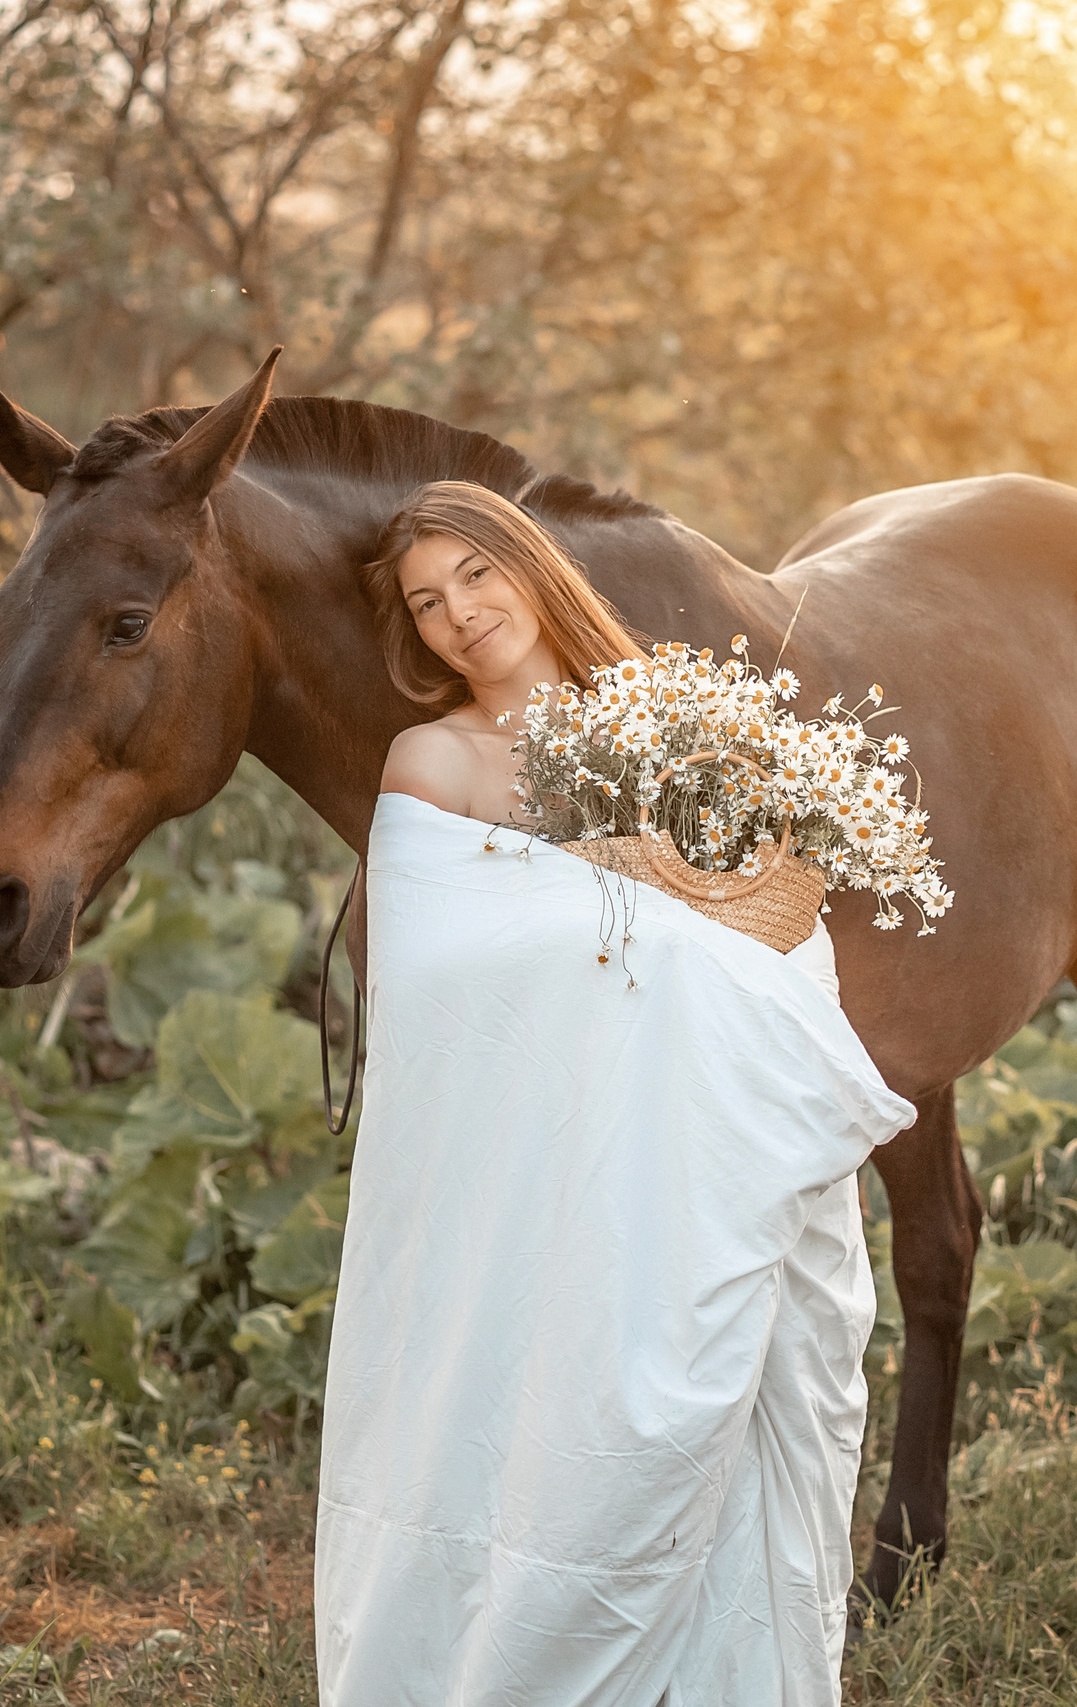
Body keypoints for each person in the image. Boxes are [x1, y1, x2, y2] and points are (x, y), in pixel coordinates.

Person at [316, 480, 916, 1705]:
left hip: (685, 1151)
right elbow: (442, 979)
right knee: (554, 1434)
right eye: (427, 604)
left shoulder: (676, 732)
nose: (458, 615)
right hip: (538, 1165)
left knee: (720, 1419)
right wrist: (644, 920)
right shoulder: (432, 758)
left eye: (475, 576)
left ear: (528, 566)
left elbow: (780, 941)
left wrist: (669, 928)